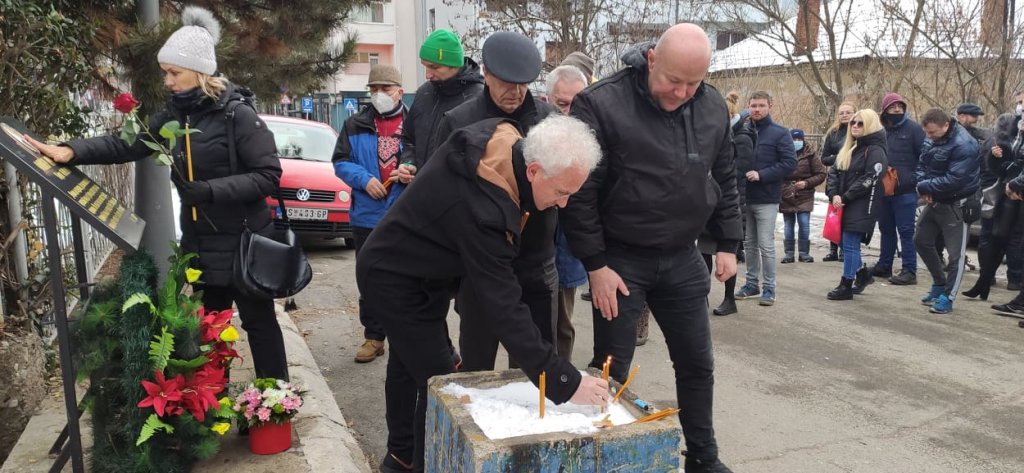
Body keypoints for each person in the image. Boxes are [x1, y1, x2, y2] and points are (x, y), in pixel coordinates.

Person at [26, 7, 288, 379]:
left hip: (246, 242)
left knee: (259, 324)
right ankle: (214, 404)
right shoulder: (174, 116)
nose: (167, 81)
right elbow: (126, 144)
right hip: (202, 244)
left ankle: (273, 401)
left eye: (174, 72)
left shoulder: (238, 115)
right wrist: (72, 150)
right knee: (209, 331)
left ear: (198, 71)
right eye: (165, 72)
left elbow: (268, 176)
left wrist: (209, 191)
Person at [356, 116, 607, 473]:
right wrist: (563, 380)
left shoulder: (508, 141)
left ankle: (401, 458)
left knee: (414, 368)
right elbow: (502, 304)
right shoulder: (485, 206)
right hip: (394, 280)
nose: (563, 204)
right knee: (444, 390)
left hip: (420, 272)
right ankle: (427, 464)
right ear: (534, 170)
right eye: (561, 192)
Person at [561, 23, 741, 473]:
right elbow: (580, 194)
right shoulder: (601, 103)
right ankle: (600, 457)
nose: (681, 92)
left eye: (692, 83)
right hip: (620, 260)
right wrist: (595, 265)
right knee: (611, 368)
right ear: (651, 59)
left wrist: (728, 242)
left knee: (697, 363)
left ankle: (703, 456)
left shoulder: (712, 106)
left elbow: (724, 174)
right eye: (673, 80)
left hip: (683, 256)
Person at [433, 31, 560, 372]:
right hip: (479, 268)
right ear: (486, 73)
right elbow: (441, 197)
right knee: (477, 369)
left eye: (523, 83)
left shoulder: (550, 121)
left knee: (537, 369)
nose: (515, 91)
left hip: (536, 263)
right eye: (506, 82)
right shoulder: (458, 122)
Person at [333, 64, 409, 363]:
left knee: (407, 279)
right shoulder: (355, 124)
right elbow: (340, 161)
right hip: (366, 215)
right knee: (369, 279)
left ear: (400, 91)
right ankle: (374, 337)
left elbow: (425, 159)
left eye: (385, 88)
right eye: (374, 88)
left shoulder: (414, 123)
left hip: (404, 215)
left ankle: (406, 335)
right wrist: (363, 179)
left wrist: (410, 171)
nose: (379, 94)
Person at [914, 108, 981, 314]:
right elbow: (922, 165)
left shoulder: (965, 144)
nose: (929, 136)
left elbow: (955, 180)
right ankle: (939, 282)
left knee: (955, 256)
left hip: (957, 203)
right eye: (927, 132)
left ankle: (948, 296)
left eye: (932, 132)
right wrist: (924, 186)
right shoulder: (932, 138)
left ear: (945, 125)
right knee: (921, 240)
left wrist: (926, 187)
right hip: (935, 199)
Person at [545, 60, 591, 357]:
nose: (568, 112)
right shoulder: (532, 129)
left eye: (576, 104)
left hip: (567, 249)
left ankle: (561, 377)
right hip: (531, 248)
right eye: (561, 103)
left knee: (561, 324)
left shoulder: (592, 136)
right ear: (548, 97)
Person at [734, 91, 797, 307]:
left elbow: (789, 163)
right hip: (745, 196)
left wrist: (762, 175)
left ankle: (769, 287)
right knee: (749, 243)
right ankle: (751, 284)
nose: (757, 109)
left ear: (770, 106)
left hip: (767, 198)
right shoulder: (743, 130)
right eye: (753, 105)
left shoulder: (780, 133)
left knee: (766, 245)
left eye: (761, 105)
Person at [399, 28, 484, 172]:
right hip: (422, 184)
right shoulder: (423, 92)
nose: (427, 75)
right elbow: (408, 139)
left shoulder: (479, 99)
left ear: (454, 64)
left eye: (434, 67)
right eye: (425, 66)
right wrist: (408, 162)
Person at [825, 109, 888, 300]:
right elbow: (834, 172)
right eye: (853, 123)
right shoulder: (850, 147)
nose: (855, 126)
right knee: (844, 242)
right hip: (844, 201)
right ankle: (862, 273)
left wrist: (845, 197)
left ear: (869, 125)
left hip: (862, 203)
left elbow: (870, 178)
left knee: (851, 244)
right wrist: (834, 194)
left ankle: (846, 283)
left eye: (860, 123)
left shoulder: (875, 150)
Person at [963, 113, 1021, 301]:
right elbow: (1009, 167)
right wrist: (996, 158)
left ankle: (1003, 286)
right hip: (1009, 192)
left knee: (1008, 239)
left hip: (1015, 192)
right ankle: (984, 283)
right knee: (997, 237)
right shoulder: (1014, 138)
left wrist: (1016, 183)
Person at [872, 92, 926, 285]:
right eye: (893, 106)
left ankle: (909, 270)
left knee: (906, 231)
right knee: (886, 229)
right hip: (884, 189)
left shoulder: (914, 129)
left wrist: (913, 179)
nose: (897, 109)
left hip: (905, 191)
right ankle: (884, 265)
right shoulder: (880, 131)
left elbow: (925, 157)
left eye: (900, 106)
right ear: (885, 109)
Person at [712, 91, 755, 317]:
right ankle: (700, 297)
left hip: (732, 202)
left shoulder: (742, 138)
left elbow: (737, 175)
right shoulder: (713, 135)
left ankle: (730, 299)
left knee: (729, 252)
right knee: (703, 252)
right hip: (709, 202)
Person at [780, 128, 827, 264]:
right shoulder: (782, 153)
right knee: (788, 224)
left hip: (805, 194)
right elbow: (777, 171)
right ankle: (789, 253)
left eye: (799, 139)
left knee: (804, 222)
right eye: (794, 139)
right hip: (787, 194)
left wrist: (806, 183)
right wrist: (785, 186)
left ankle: (804, 253)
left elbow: (821, 174)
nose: (796, 142)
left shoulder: (810, 154)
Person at [820, 101, 857, 262]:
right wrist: (841, 157)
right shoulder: (833, 133)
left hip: (852, 178)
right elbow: (824, 158)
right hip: (836, 177)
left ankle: (844, 249)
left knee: (848, 215)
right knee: (834, 215)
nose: (845, 115)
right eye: (842, 113)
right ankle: (833, 249)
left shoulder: (858, 131)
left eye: (848, 112)